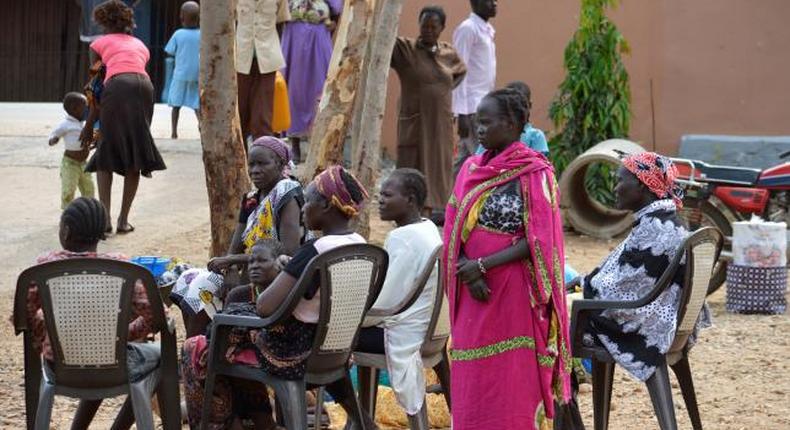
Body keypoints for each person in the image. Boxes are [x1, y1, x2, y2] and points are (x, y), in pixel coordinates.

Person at [184, 166, 374, 429]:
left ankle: (223, 424)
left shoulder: (314, 250)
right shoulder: (360, 245)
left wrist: (282, 274)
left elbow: (265, 307)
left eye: (308, 202)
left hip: (289, 353)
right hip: (334, 349)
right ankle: (262, 422)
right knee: (231, 339)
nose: (303, 209)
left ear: (328, 207)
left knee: (199, 347)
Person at [443, 88, 572, 428]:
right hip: (472, 287)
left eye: (487, 123)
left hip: (513, 290)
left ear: (513, 124)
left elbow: (539, 240)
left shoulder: (535, 174)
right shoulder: (471, 168)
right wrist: (468, 272)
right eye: (477, 124)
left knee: (511, 371)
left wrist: (483, 265)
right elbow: (454, 229)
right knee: (472, 369)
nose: (479, 130)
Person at [17, 197, 160, 429]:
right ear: (102, 234)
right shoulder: (120, 268)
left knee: (95, 350)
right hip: (114, 364)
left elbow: (23, 316)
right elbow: (157, 316)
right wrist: (126, 333)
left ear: (65, 231)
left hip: (59, 368)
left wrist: (47, 335)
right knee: (159, 357)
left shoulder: (44, 267)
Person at [566, 152, 709, 382]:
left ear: (643, 186)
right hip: (660, 319)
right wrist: (584, 281)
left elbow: (620, 289)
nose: (615, 188)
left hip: (644, 328)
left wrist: (585, 285)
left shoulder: (657, 229)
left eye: (621, 181)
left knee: (552, 315)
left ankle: (565, 399)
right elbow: (627, 275)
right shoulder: (664, 220)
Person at [177, 137, 303, 337]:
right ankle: (198, 349)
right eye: (251, 164)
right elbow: (236, 244)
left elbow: (289, 252)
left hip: (275, 278)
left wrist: (233, 260)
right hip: (249, 269)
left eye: (262, 164)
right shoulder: (252, 198)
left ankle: (200, 353)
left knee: (201, 288)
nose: (255, 170)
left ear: (280, 163)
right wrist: (230, 270)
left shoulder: (287, 193)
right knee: (186, 280)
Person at [356, 168, 443, 421]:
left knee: (334, 339)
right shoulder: (427, 228)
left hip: (404, 335)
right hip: (428, 330)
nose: (380, 201)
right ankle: (360, 418)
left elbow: (386, 301)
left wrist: (351, 316)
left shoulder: (402, 238)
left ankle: (359, 418)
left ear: (411, 199)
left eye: (387, 195)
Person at [181, 239, 287, 430]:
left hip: (276, 357)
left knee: (196, 350)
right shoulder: (240, 295)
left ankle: (229, 424)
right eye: (251, 261)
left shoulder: (289, 293)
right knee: (218, 357)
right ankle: (254, 422)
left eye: (262, 261)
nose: (254, 266)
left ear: (279, 263)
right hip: (247, 359)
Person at [81, 0, 167, 234]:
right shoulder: (140, 45)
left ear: (102, 22)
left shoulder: (98, 45)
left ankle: (105, 220)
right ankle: (123, 221)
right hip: (145, 88)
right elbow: (136, 71)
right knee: (135, 152)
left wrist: (89, 125)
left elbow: (95, 87)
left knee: (105, 151)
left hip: (117, 86)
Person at [390, 6, 466, 217]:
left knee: (436, 168)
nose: (428, 30)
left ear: (442, 28)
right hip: (414, 121)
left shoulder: (448, 53)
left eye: (434, 27)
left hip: (439, 124)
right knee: (411, 166)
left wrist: (440, 92)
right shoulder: (406, 50)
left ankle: (429, 212)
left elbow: (460, 72)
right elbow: (383, 43)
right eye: (425, 26)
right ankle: (407, 213)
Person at [281, 0, 342, 163]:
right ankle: (295, 144)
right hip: (293, 35)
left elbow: (337, 8)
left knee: (322, 88)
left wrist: (333, 22)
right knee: (295, 90)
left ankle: (323, 144)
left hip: (319, 34)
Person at [451, 0, 497, 177]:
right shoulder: (468, 29)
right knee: (479, 155)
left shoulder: (486, 30)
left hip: (483, 103)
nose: (494, 4)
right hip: (471, 106)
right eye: (489, 1)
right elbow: (458, 70)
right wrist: (460, 112)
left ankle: (450, 199)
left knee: (465, 157)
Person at [236, 0, 291, 141]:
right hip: (240, 57)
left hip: (268, 58)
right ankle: (241, 157)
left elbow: (280, 21)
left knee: (263, 114)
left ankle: (262, 155)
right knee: (239, 111)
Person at [475, 81, 548, 156]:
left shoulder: (535, 136)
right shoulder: (489, 139)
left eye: (521, 105)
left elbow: (538, 159)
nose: (479, 130)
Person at [49, 92, 96, 210]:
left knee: (89, 188)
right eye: (85, 106)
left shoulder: (85, 123)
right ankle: (67, 212)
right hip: (70, 163)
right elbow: (55, 133)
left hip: (84, 164)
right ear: (74, 109)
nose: (87, 109)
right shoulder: (65, 124)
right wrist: (53, 139)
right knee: (69, 189)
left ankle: (89, 211)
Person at [165, 1, 201, 139]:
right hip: (196, 75)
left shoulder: (178, 34)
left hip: (180, 74)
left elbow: (169, 51)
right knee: (197, 104)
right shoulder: (202, 34)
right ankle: (201, 127)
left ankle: (174, 132)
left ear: (182, 17)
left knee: (176, 105)